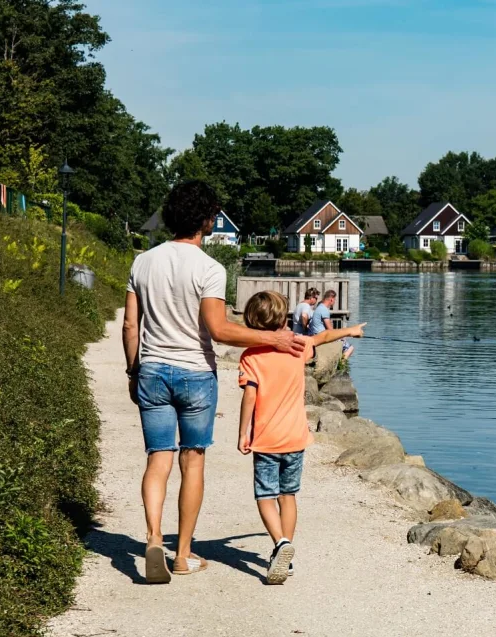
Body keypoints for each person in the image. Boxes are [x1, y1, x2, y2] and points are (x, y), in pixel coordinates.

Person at [122, 180, 312, 585]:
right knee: (192, 462)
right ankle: (183, 555)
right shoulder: (209, 268)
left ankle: (154, 539)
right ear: (207, 219)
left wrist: (132, 370)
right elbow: (219, 330)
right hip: (194, 375)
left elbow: (129, 324)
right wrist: (273, 338)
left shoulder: (142, 262)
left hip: (152, 370)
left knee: (158, 460)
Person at [236, 290, 364, 584]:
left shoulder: (250, 357)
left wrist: (243, 431)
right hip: (296, 437)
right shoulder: (296, 348)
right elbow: (321, 339)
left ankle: (280, 543)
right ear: (284, 319)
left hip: (267, 439)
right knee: (288, 495)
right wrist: (351, 331)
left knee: (265, 496)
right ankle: (286, 553)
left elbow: (250, 397)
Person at [306, 289, 355, 359]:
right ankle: (342, 363)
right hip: (321, 336)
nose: (335, 302)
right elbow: (330, 329)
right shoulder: (324, 310)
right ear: (331, 299)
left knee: (342, 339)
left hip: (317, 334)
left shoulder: (319, 307)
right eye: (335, 300)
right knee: (350, 347)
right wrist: (341, 336)